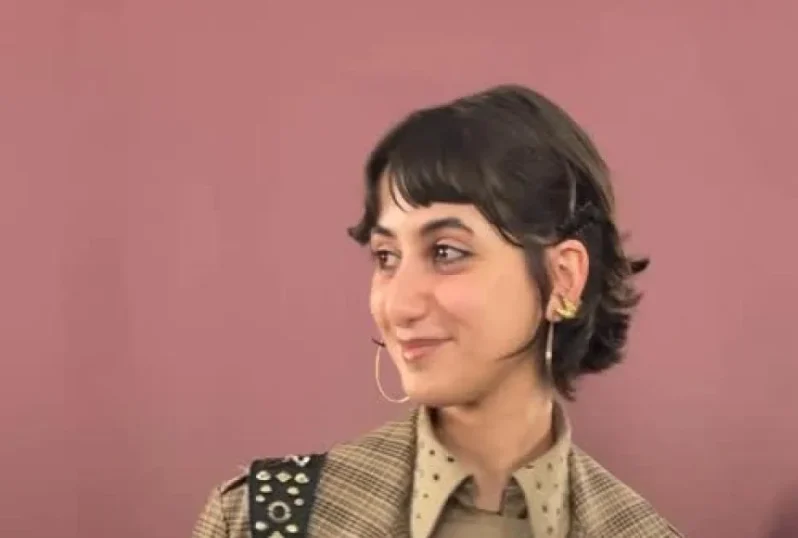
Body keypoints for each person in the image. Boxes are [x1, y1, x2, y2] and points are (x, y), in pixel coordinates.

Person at [191, 84, 683, 538]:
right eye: (386, 257)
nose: (399, 305)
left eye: (446, 252)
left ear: (562, 278)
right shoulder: (263, 520)